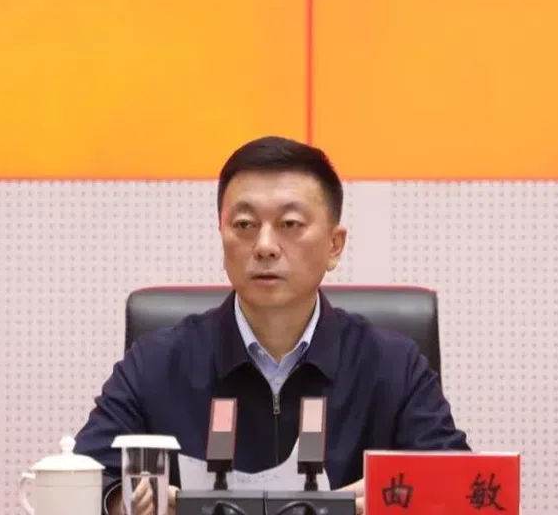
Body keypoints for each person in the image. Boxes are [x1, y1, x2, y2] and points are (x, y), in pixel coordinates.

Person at [73, 136, 470, 515]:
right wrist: (121, 501)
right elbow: (82, 481)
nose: (264, 245)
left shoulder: (392, 365)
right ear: (222, 238)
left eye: (290, 224)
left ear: (334, 246)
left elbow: (462, 488)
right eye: (245, 224)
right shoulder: (157, 363)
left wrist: (394, 498)